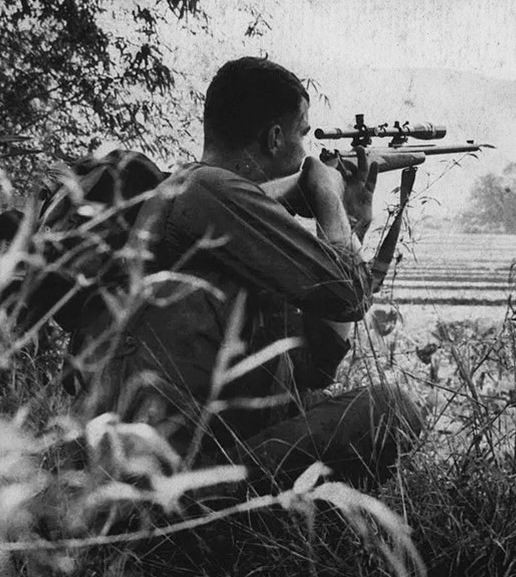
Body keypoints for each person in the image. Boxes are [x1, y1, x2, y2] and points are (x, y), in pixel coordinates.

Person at [67, 57, 423, 495]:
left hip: (172, 463)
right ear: (275, 138)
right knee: (389, 409)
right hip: (165, 483)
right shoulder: (208, 188)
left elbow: (316, 367)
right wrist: (328, 200)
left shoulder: (211, 210)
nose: (305, 149)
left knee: (346, 409)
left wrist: (350, 223)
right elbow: (350, 294)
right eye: (303, 133)